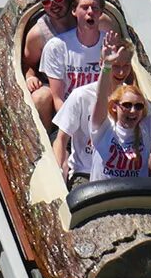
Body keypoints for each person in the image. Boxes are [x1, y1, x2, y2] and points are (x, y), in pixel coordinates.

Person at [82, 33, 151, 184]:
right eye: (126, 105)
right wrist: (106, 66)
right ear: (114, 107)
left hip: (135, 201)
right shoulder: (103, 129)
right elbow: (100, 97)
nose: (133, 111)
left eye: (138, 106)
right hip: (104, 199)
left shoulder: (146, 130)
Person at [53, 36, 135, 185]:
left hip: (121, 174)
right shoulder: (81, 95)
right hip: (86, 173)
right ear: (102, 63)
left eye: (126, 66)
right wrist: (57, 171)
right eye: (116, 65)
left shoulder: (134, 101)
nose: (122, 72)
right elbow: (61, 138)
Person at [38, 0, 107, 119]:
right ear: (74, 11)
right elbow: (58, 99)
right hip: (70, 116)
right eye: (85, 7)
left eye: (95, 8)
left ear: (101, 13)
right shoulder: (56, 47)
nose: (90, 12)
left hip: (102, 116)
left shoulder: (110, 44)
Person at [23, 0, 76, 127]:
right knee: (40, 97)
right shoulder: (38, 33)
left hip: (85, 80)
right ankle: (45, 143)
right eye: (47, 2)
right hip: (54, 87)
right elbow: (27, 63)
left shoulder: (84, 19)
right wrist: (30, 77)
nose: (54, 5)